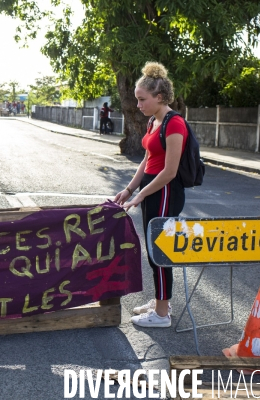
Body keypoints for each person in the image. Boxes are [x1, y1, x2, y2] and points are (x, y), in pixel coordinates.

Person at [114, 62, 188, 328]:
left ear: (159, 97)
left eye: (142, 99)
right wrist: (129, 189)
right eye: (137, 99)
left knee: (159, 251)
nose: (138, 105)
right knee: (155, 251)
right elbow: (146, 160)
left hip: (165, 192)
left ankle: (161, 314)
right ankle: (161, 302)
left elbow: (169, 172)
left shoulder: (175, 123)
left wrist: (141, 195)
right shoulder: (152, 122)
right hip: (152, 190)